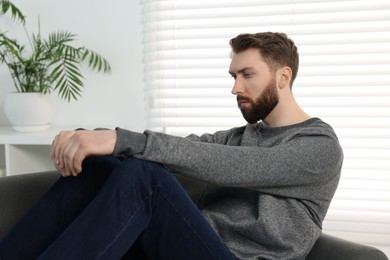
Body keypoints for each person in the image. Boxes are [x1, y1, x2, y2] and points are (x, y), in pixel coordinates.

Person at [0, 32, 343, 260]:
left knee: (144, 177)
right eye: (233, 76)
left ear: (283, 77)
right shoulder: (241, 135)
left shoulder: (317, 146)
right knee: (100, 164)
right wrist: (96, 137)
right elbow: (183, 147)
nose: (235, 87)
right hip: (190, 245)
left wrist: (121, 139)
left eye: (247, 75)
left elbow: (230, 165)